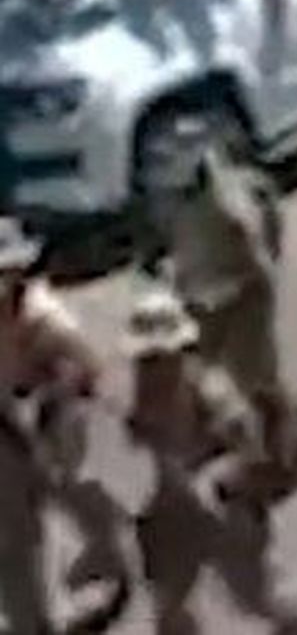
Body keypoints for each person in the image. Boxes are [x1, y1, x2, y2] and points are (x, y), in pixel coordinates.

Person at [124, 287, 297, 635]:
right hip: (171, 509)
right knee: (168, 599)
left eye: (158, 355)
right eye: (145, 356)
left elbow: (247, 451)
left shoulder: (210, 389)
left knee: (252, 595)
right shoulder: (140, 390)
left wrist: (215, 480)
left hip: (223, 506)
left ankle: (294, 622)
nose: (150, 365)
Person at [148, 130, 297, 473]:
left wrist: (239, 284)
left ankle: (284, 448)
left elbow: (257, 253)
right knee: (194, 370)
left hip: (241, 297)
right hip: (201, 298)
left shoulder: (225, 205)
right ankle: (215, 438)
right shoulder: (177, 202)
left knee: (256, 377)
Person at [0, 219, 130, 635]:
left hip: (53, 417)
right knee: (12, 536)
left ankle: (110, 555)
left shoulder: (47, 318)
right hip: (4, 424)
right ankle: (29, 622)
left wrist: (54, 398)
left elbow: (90, 372)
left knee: (73, 488)